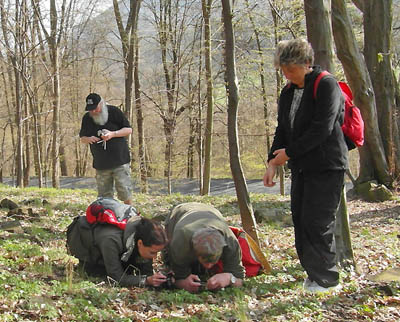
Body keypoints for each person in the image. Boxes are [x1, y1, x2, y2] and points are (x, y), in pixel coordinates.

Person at [263, 39, 348, 293]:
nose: (287, 74)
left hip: (327, 165)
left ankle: (328, 279)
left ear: (306, 64)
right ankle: (314, 273)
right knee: (301, 220)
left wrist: (287, 154)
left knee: (317, 221)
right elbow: (283, 129)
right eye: (284, 70)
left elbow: (321, 128)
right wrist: (272, 161)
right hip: (301, 167)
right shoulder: (288, 92)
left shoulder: (326, 85)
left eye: (291, 69)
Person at [67, 214, 169, 288]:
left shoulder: (143, 235)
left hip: (116, 246)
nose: (155, 257)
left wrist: (158, 279)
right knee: (97, 273)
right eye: (152, 252)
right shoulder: (111, 241)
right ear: (140, 243)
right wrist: (145, 280)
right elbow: (116, 278)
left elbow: (147, 273)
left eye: (157, 252)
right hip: (87, 247)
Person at [163, 202, 245, 293]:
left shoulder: (231, 243)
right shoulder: (181, 240)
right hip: (179, 213)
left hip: (210, 210)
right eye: (205, 260)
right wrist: (182, 281)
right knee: (169, 261)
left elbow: (239, 278)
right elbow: (178, 276)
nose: (209, 266)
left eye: (213, 261)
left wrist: (230, 278)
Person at [79, 93, 133, 205]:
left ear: (101, 104)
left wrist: (113, 134)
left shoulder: (114, 112)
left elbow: (128, 130)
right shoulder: (87, 118)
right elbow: (82, 138)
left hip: (120, 161)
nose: (93, 112)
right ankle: (107, 217)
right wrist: (88, 139)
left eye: (95, 108)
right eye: (90, 110)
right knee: (104, 197)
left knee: (124, 191)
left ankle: (129, 215)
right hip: (101, 163)